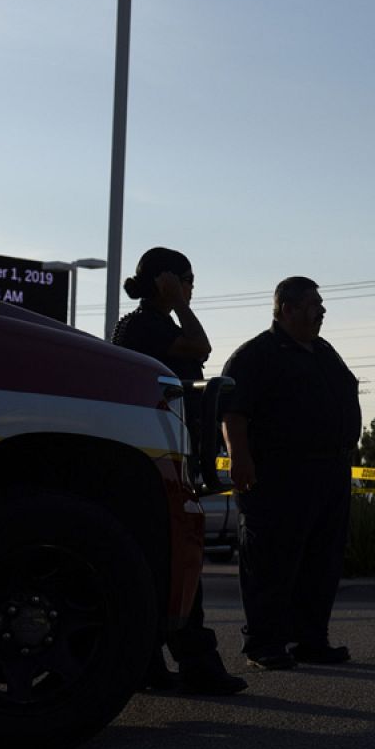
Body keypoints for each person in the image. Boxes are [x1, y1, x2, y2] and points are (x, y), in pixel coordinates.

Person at [111, 247, 248, 696]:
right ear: (167, 280)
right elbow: (201, 347)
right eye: (187, 281)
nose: (191, 290)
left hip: (162, 455)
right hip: (153, 458)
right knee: (174, 556)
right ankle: (197, 664)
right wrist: (183, 304)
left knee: (160, 559)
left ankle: (147, 664)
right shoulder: (145, 325)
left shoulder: (152, 324)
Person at [220, 277, 360, 670]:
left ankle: (311, 640)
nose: (322, 311)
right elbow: (234, 413)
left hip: (329, 471)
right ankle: (265, 643)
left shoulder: (323, 351)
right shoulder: (256, 355)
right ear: (288, 309)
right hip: (279, 474)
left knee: (322, 560)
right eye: (314, 304)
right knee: (272, 561)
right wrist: (239, 458)